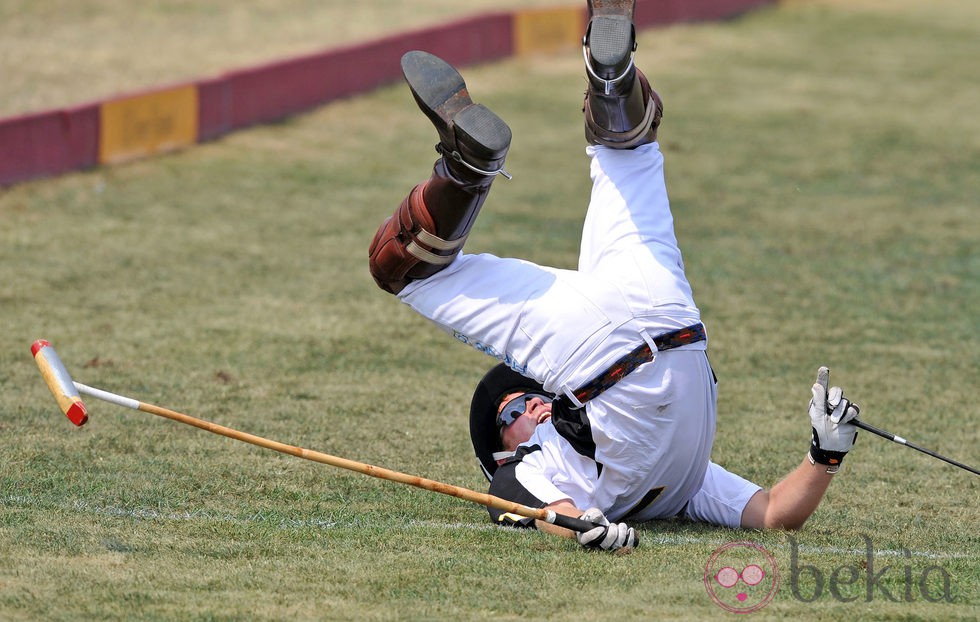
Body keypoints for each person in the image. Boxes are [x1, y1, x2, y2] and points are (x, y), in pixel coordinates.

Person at [368, 0, 860, 551]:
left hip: (591, 356)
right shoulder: (684, 486)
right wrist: (826, 453)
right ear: (504, 449)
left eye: (526, 398)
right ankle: (604, 82)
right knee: (627, 154)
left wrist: (580, 521)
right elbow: (771, 513)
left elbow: (526, 504)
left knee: (404, 272)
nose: (531, 403)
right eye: (511, 411)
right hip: (667, 312)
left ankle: (497, 149)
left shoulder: (539, 469)